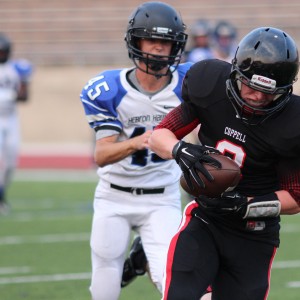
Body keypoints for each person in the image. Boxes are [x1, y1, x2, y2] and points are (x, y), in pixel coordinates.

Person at [149, 26, 300, 300]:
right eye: (251, 87)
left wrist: (247, 206)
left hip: (254, 234)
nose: (258, 98)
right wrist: (180, 149)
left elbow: (296, 198)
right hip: (206, 219)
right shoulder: (210, 85)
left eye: (270, 93)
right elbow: (159, 135)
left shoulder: (292, 124)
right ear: (235, 74)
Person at [79, 2, 191, 299]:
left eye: (165, 41)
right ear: (135, 41)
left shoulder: (189, 84)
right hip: (114, 196)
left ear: (175, 45)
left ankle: (144, 257)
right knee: (104, 285)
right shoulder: (108, 89)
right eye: (150, 39)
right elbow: (101, 156)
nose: (157, 48)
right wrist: (141, 141)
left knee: (171, 281)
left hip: (161, 198)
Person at [0, 33, 33, 215]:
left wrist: (10, 95)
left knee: (11, 161)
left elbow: (25, 96)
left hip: (11, 119)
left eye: (3, 51)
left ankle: (2, 193)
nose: (1, 55)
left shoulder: (18, 69)